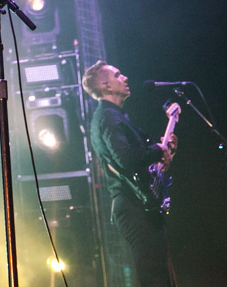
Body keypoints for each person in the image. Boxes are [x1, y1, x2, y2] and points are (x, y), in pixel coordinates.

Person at [82, 61, 177, 287]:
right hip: (132, 205)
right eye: (117, 75)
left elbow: (136, 162)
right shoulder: (107, 117)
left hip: (139, 203)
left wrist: (164, 153)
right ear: (105, 85)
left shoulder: (115, 116)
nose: (124, 77)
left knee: (161, 275)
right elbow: (126, 159)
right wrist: (157, 150)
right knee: (154, 277)